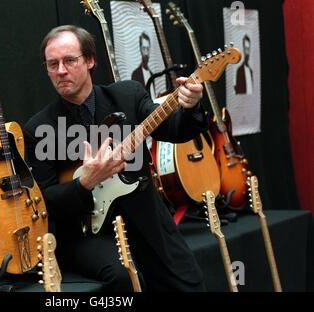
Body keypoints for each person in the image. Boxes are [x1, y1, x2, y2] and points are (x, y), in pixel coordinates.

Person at [24, 25, 206, 291]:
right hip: (86, 233)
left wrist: (191, 107)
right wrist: (83, 183)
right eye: (53, 64)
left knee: (190, 284)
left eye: (69, 60)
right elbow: (44, 203)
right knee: (126, 280)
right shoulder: (39, 128)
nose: (61, 70)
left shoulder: (128, 96)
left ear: (89, 60)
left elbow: (176, 129)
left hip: (146, 218)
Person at [131, 32, 156, 99]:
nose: (146, 53)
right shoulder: (136, 74)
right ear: (140, 49)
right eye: (144, 48)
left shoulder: (151, 74)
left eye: (148, 49)